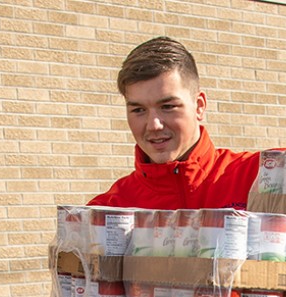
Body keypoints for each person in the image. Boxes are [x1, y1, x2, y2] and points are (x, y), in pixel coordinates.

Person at [88, 37, 262, 210]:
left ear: (199, 106)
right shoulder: (106, 211)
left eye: (168, 106)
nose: (153, 125)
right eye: (138, 110)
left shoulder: (260, 175)